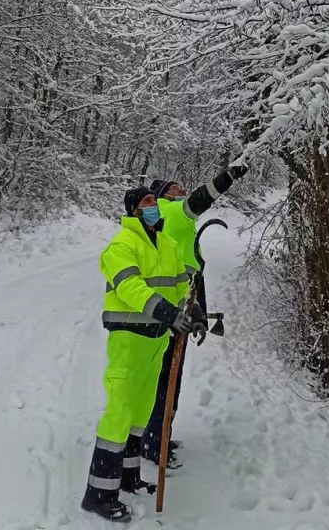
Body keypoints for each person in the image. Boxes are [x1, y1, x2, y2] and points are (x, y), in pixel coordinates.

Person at [81, 187, 207, 523]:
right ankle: (99, 493)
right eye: (147, 202)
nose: (154, 206)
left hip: (156, 341)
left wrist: (190, 311)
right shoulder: (122, 244)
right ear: (134, 209)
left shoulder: (167, 244)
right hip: (128, 338)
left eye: (155, 201)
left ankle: (128, 478)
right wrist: (167, 312)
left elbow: (181, 286)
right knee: (119, 411)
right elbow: (130, 286)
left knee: (140, 411)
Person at [141, 165, 248, 466]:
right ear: (164, 195)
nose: (182, 189)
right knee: (167, 380)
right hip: (174, 311)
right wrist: (227, 177)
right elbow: (204, 197)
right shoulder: (175, 211)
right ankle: (155, 443)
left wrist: (198, 308)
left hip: (158, 308)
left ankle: (152, 437)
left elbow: (189, 272)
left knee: (156, 378)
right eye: (175, 186)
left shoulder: (160, 222)